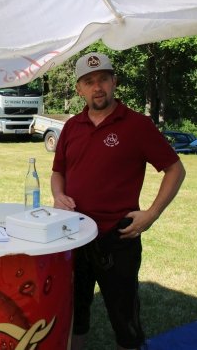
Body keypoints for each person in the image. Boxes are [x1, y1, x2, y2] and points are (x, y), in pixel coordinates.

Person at [51, 52, 186, 350]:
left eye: (103, 79)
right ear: (79, 89)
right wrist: (58, 195)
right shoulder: (72, 126)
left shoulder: (137, 124)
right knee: (75, 313)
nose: (97, 87)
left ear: (114, 82)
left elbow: (175, 169)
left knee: (125, 320)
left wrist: (152, 213)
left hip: (118, 236)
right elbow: (58, 172)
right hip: (73, 234)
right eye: (89, 81)